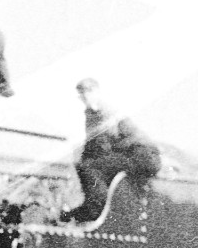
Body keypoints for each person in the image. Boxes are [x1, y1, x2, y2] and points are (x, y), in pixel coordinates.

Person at [64, 76, 162, 222]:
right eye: (82, 94)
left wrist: (83, 162)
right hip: (136, 154)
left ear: (97, 92)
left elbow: (103, 145)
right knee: (90, 165)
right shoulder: (94, 113)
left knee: (90, 167)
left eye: (88, 92)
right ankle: (95, 204)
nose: (85, 97)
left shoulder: (103, 111)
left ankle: (96, 208)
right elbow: (95, 144)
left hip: (142, 156)